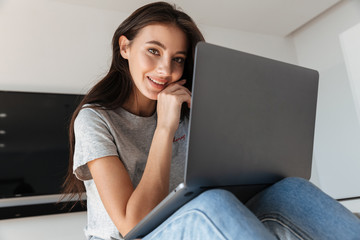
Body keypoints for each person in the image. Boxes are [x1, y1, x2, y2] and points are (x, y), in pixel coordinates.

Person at [62, 2, 360, 240]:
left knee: (291, 190)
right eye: (153, 51)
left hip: (193, 220)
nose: (166, 70)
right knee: (211, 204)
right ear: (124, 47)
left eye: (177, 58)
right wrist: (165, 127)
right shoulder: (94, 119)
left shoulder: (187, 109)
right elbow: (133, 225)